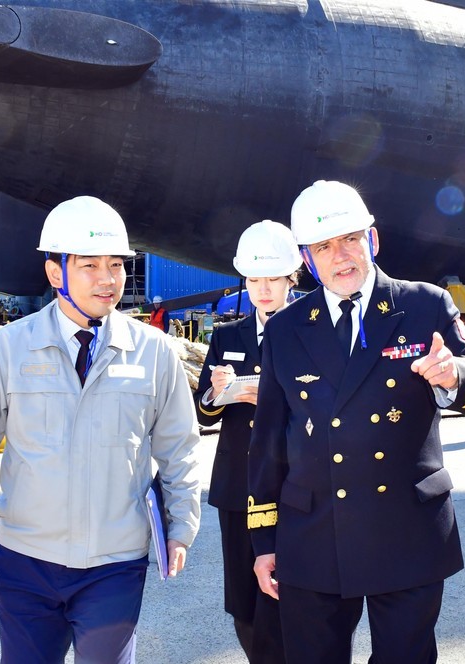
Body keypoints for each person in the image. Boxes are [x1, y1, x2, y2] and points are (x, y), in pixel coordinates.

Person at [0, 196, 201, 664]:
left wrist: (181, 527)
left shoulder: (152, 352)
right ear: (56, 273)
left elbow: (180, 449)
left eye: (116, 264)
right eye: (90, 265)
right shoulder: (11, 348)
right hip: (25, 566)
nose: (108, 278)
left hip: (114, 566)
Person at [248, 180, 465, 664]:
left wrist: (454, 376)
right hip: (313, 533)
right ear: (307, 259)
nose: (341, 256)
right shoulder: (284, 329)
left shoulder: (423, 304)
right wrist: (264, 541)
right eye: (324, 246)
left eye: (350, 238)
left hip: (404, 529)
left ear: (374, 239)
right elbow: (267, 443)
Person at [194, 220, 300, 664]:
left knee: (297, 589)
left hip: (297, 482)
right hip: (239, 483)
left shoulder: (313, 330)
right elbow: (203, 411)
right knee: (244, 593)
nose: (262, 289)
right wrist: (217, 394)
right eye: (254, 279)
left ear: (293, 278)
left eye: (272, 279)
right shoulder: (226, 336)